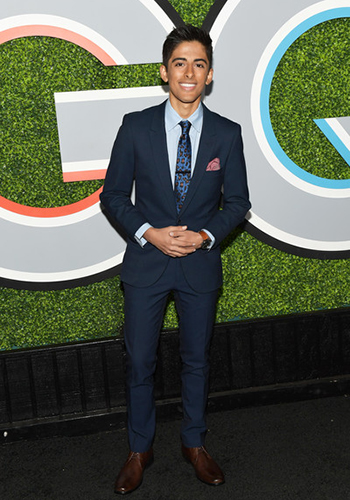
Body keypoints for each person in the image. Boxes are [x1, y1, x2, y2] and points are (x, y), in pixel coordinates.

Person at [100, 24, 251, 495]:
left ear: (209, 75)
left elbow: (238, 203)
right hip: (146, 264)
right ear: (165, 72)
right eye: (181, 63)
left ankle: (194, 443)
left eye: (199, 64)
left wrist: (205, 235)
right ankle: (139, 449)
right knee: (140, 360)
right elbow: (114, 196)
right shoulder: (135, 126)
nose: (190, 72)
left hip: (199, 268)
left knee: (196, 361)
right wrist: (150, 234)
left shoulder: (227, 134)